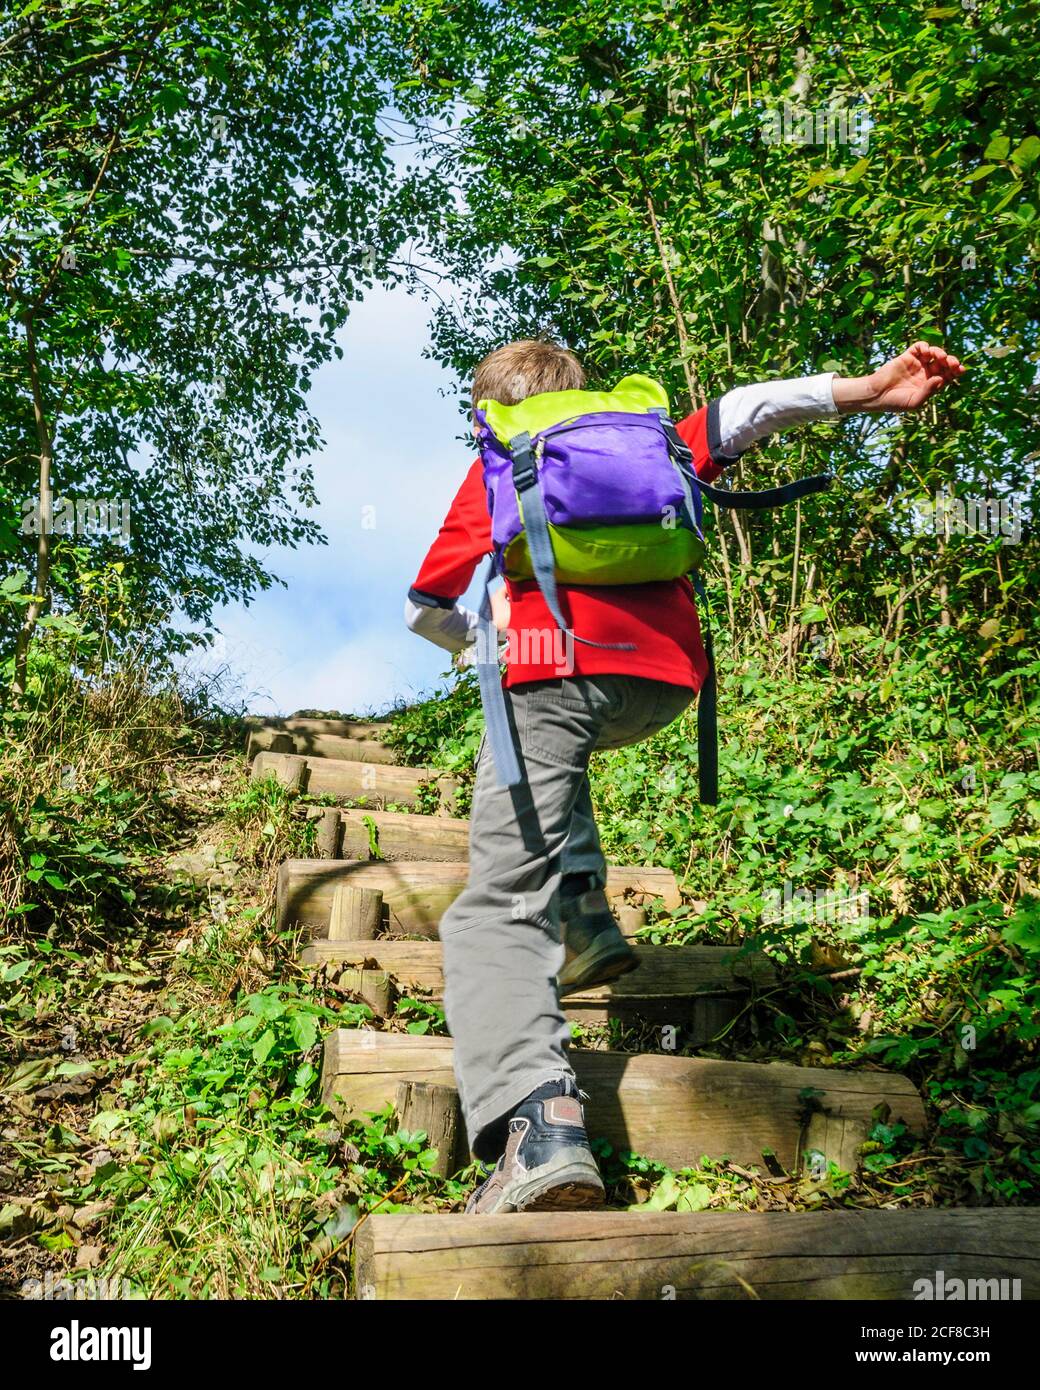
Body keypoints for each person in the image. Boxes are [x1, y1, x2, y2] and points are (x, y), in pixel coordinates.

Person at [405, 338, 962, 1213]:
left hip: (554, 670)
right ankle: (585, 916)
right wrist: (867, 390)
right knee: (555, 767)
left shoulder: (503, 451)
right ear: (579, 393)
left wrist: (491, 643)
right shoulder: (644, 434)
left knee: (498, 902)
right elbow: (749, 409)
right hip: (664, 677)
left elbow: (426, 605)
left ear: (488, 404)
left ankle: (537, 1124)